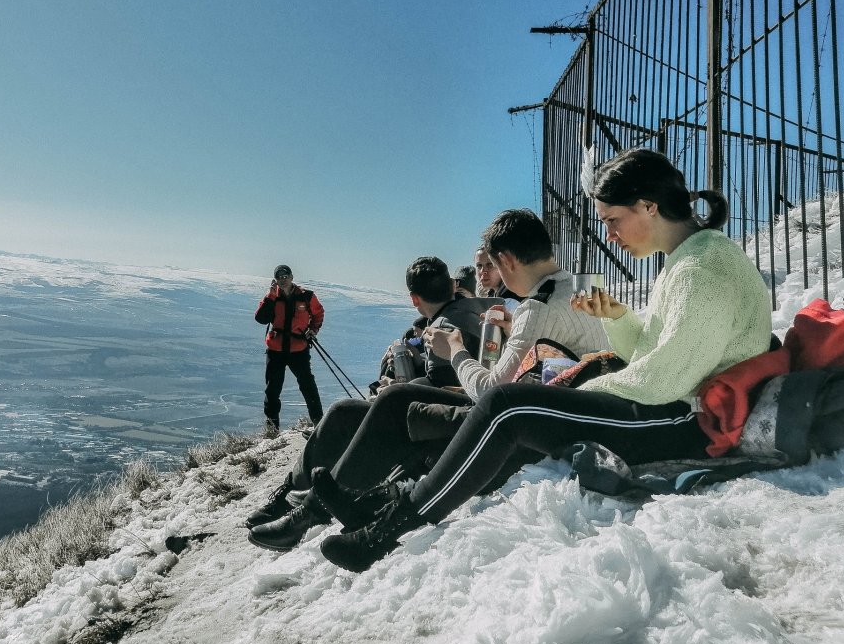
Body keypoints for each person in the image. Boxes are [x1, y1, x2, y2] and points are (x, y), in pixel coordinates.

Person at [318, 149, 772, 572]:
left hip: (688, 420)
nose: (610, 235)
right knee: (516, 408)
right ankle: (382, 505)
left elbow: (664, 381)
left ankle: (386, 531)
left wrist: (579, 392)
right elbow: (653, 353)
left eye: (613, 220)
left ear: (648, 206)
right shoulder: (686, 260)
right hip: (673, 402)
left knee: (510, 406)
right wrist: (617, 318)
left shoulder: (700, 270)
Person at [248, 213, 609, 551]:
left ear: (509, 261)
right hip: (559, 404)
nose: (493, 274)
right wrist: (514, 334)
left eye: (495, 265)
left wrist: (454, 350)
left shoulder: (535, 307)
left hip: (525, 420)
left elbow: (493, 394)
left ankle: (313, 509)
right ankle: (317, 505)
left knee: (395, 403)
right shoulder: (586, 290)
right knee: (395, 401)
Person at [245, 257, 486, 547]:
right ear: (451, 286)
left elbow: (449, 385)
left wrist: (402, 387)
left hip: (428, 420)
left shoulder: (448, 325)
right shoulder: (469, 312)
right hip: (434, 410)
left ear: (413, 299)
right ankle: (295, 494)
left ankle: (305, 508)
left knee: (346, 412)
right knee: (341, 410)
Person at [254, 264, 324, 433]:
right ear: (275, 280)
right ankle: (272, 430)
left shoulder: (306, 296)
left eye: (286, 276)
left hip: (298, 349)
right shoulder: (272, 298)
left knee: (308, 385)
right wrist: (270, 297)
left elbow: (318, 313)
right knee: (272, 390)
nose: (283, 279)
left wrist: (313, 330)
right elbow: (261, 319)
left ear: (292, 277)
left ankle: (319, 423)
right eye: (279, 277)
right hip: (276, 350)